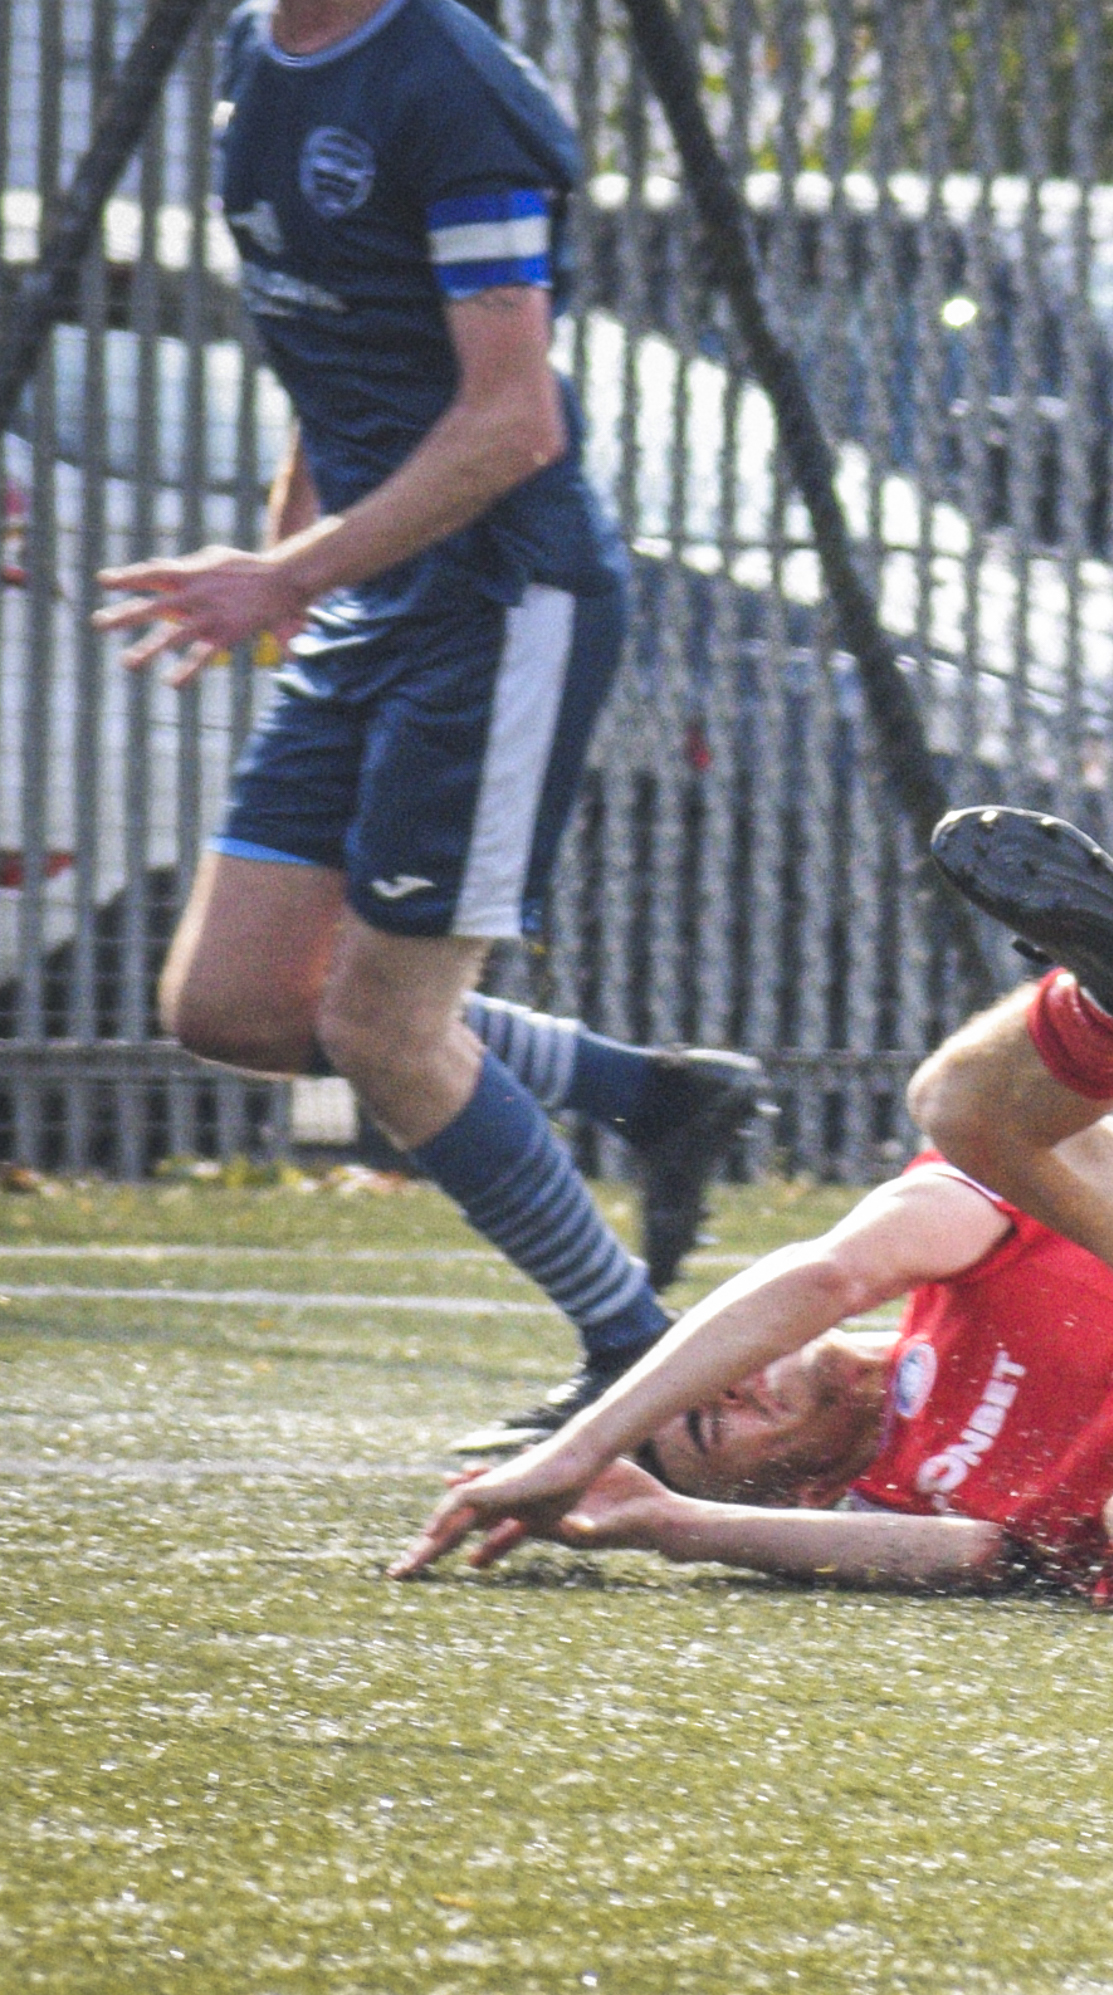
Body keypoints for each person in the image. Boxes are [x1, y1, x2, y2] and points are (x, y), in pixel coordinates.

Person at [90, 0, 764, 1450]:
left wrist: (289, 573)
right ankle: (647, 1094)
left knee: (384, 1026)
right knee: (231, 1006)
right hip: (369, 597)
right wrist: (299, 551)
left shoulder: (451, 87)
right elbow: (333, 337)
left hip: (500, 603)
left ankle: (638, 1363)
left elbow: (515, 421)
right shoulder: (258, 48)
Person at [393, 810, 1113, 1615]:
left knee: (960, 1112)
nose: (731, 1386)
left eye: (710, 1373)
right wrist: (662, 1521)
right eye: (709, 1429)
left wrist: (577, 1445)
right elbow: (979, 1556)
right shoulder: (886, 1496)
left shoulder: (943, 1268)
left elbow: (832, 1273)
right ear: (793, 1488)